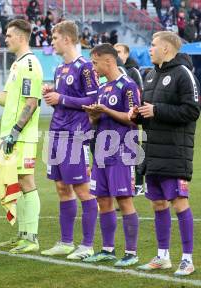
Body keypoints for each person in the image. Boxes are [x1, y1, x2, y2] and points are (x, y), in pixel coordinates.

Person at [132, 31, 200, 276]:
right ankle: (162, 256)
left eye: (152, 45)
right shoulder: (150, 75)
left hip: (175, 152)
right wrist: (137, 114)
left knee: (179, 203)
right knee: (158, 204)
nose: (149, 49)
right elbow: (148, 111)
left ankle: (187, 259)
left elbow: (192, 111)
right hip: (152, 152)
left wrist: (157, 110)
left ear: (166, 48)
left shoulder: (184, 74)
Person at [0, 19, 43, 254]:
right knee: (17, 182)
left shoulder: (31, 64)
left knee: (26, 181)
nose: (5, 39)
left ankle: (31, 236)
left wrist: (15, 132)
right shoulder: (17, 65)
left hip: (22, 136)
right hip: (11, 135)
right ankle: (23, 234)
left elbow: (32, 103)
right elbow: (7, 99)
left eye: (9, 35)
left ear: (22, 37)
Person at [41, 20, 99, 260]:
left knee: (83, 190)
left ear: (66, 39)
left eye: (54, 38)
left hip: (76, 137)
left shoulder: (85, 67)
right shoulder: (58, 69)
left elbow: (94, 101)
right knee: (62, 188)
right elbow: (62, 99)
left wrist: (61, 98)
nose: (51, 42)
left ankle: (87, 245)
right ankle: (65, 242)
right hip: (56, 134)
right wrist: (51, 94)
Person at [81, 43, 140, 267]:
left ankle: (131, 252)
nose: (93, 67)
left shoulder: (128, 85)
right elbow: (96, 122)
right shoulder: (103, 88)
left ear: (108, 61)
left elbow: (133, 118)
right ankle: (107, 249)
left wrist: (105, 110)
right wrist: (93, 115)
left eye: (95, 62)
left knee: (124, 200)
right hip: (101, 151)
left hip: (122, 151)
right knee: (103, 200)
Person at [114, 43, 145, 196]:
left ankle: (139, 183)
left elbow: (139, 92)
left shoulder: (133, 72)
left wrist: (134, 113)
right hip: (116, 121)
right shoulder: (113, 72)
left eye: (119, 52)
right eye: (114, 52)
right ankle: (124, 184)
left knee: (134, 151)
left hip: (131, 119)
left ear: (126, 54)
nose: (116, 54)